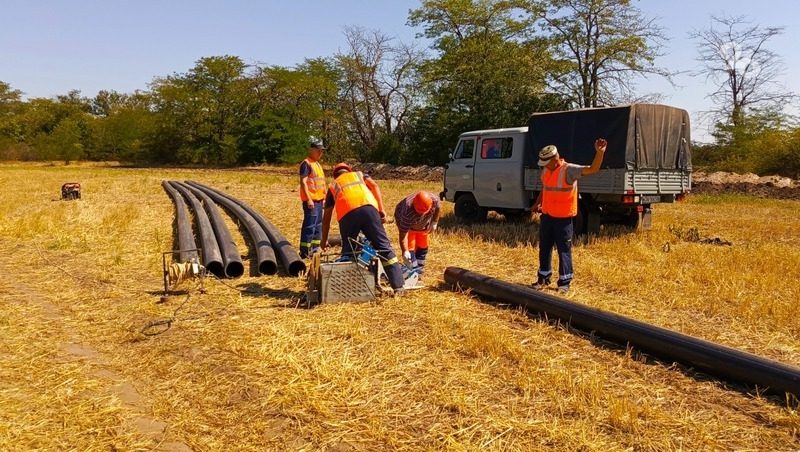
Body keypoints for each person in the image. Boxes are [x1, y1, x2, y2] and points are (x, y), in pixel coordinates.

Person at [533, 138, 607, 293]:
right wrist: (537, 203)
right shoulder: (546, 170)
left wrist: (599, 153)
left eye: (546, 163)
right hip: (547, 216)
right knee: (544, 247)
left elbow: (592, 169)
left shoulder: (569, 170)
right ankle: (543, 277)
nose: (544, 166)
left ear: (554, 159)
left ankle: (564, 282)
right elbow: (545, 188)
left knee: (563, 250)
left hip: (564, 219)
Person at [320, 163, 405, 291]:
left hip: (347, 215)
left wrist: (324, 240)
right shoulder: (359, 175)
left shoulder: (333, 185)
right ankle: (398, 286)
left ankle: (346, 288)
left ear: (335, 176)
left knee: (348, 252)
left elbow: (326, 219)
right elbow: (375, 186)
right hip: (369, 210)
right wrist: (381, 210)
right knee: (384, 248)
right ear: (349, 171)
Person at [394, 191, 441, 279]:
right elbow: (403, 235)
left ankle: (419, 270)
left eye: (424, 212)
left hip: (423, 227)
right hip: (409, 228)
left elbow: (438, 207)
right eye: (419, 212)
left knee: (423, 246)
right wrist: (405, 251)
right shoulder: (407, 212)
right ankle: (412, 270)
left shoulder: (434, 200)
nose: (421, 214)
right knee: (410, 248)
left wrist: (435, 221)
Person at [298, 137, 327, 258]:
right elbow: (303, 182)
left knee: (318, 226)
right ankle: (305, 251)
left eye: (322, 151)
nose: (320, 153)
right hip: (312, 201)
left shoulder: (317, 164)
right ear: (311, 150)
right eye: (318, 150)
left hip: (319, 200)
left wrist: (324, 198)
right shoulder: (306, 164)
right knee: (310, 225)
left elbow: (321, 183)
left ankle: (315, 249)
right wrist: (309, 199)